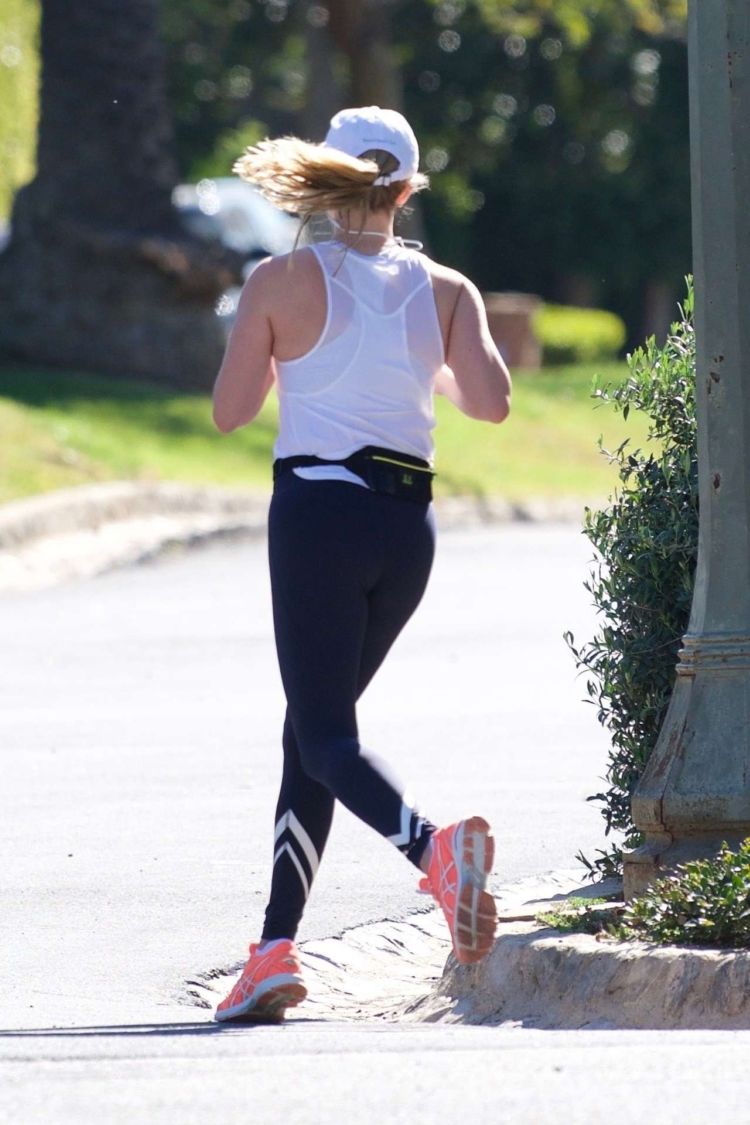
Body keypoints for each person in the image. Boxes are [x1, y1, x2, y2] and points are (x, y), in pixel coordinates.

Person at [211, 106, 512, 1023]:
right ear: (409, 188)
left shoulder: (280, 279)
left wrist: (274, 350)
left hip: (318, 518)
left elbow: (230, 411)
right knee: (316, 732)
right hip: (405, 531)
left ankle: (434, 849)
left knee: (324, 736)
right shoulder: (448, 288)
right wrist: (433, 367)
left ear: (326, 179)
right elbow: (491, 402)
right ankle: (272, 950)